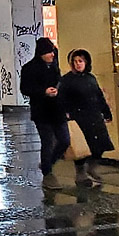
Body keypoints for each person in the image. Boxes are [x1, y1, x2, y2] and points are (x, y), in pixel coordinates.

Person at [58, 48, 114, 186]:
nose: (78, 64)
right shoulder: (67, 80)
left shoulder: (91, 78)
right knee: (82, 148)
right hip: (79, 117)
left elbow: (99, 96)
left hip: (94, 116)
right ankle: (81, 173)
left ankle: (92, 168)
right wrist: (66, 114)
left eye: (81, 61)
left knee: (100, 145)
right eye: (75, 61)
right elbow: (62, 99)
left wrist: (106, 112)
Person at [20, 37, 68, 188]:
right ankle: (48, 174)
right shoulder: (29, 68)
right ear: (41, 53)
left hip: (58, 110)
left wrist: (58, 91)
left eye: (53, 51)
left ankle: (48, 163)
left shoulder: (54, 66)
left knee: (64, 140)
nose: (52, 55)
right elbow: (25, 89)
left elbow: (59, 82)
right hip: (42, 111)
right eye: (49, 52)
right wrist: (43, 92)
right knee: (47, 142)